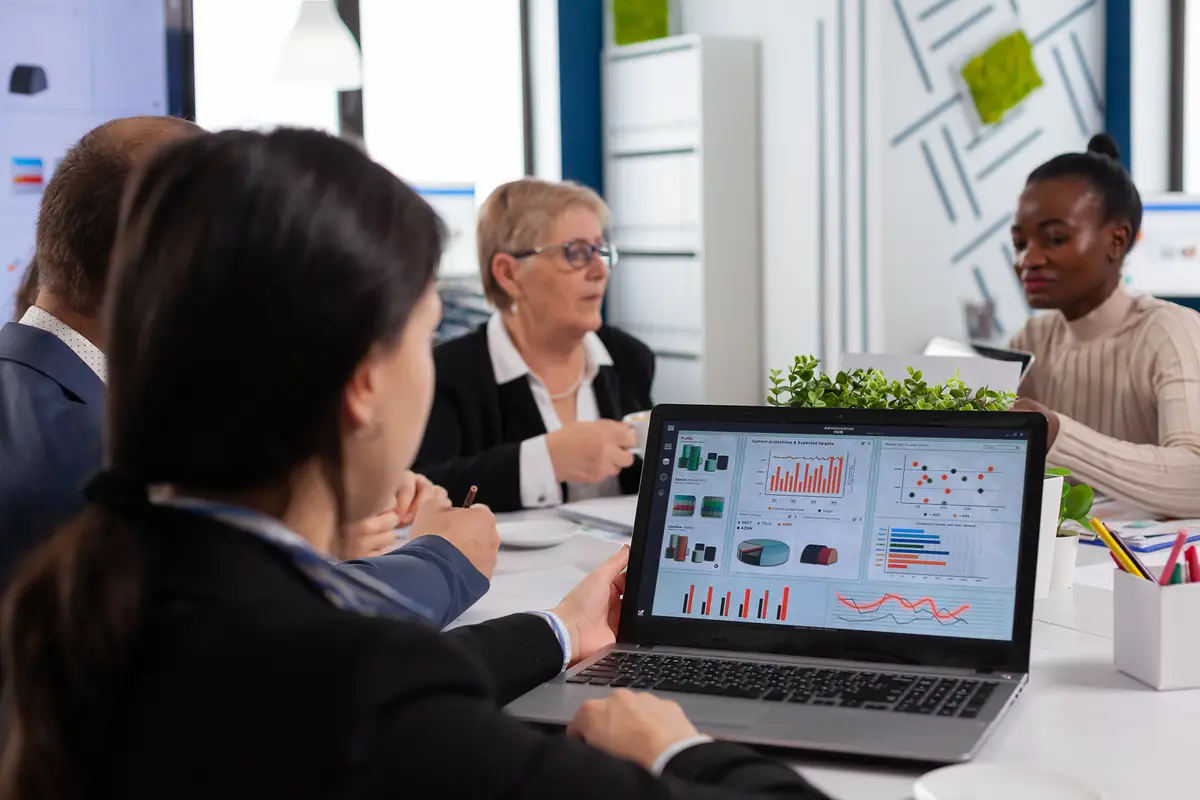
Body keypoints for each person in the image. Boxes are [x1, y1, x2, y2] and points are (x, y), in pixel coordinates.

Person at [0, 128, 825, 799]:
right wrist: (675, 751)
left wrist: (558, 630)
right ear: (363, 382)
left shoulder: (103, 597)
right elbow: (366, 692)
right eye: (422, 330)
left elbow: (346, 668)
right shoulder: (361, 709)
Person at [0, 117, 493, 626]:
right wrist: (446, 562)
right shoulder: (99, 462)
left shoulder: (52, 398)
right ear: (172, 265)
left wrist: (317, 516)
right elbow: (260, 636)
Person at [416, 178, 654, 512]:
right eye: (577, 254)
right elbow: (422, 489)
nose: (600, 271)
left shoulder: (629, 359)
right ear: (509, 275)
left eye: (600, 251)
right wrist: (545, 461)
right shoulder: (449, 374)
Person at [1009, 133, 1200, 517]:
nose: (1028, 260)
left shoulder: (1168, 332)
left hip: (1146, 571)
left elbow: (1194, 479)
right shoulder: (1031, 340)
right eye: (1020, 243)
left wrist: (1056, 432)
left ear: (1117, 240)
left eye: (1055, 238)